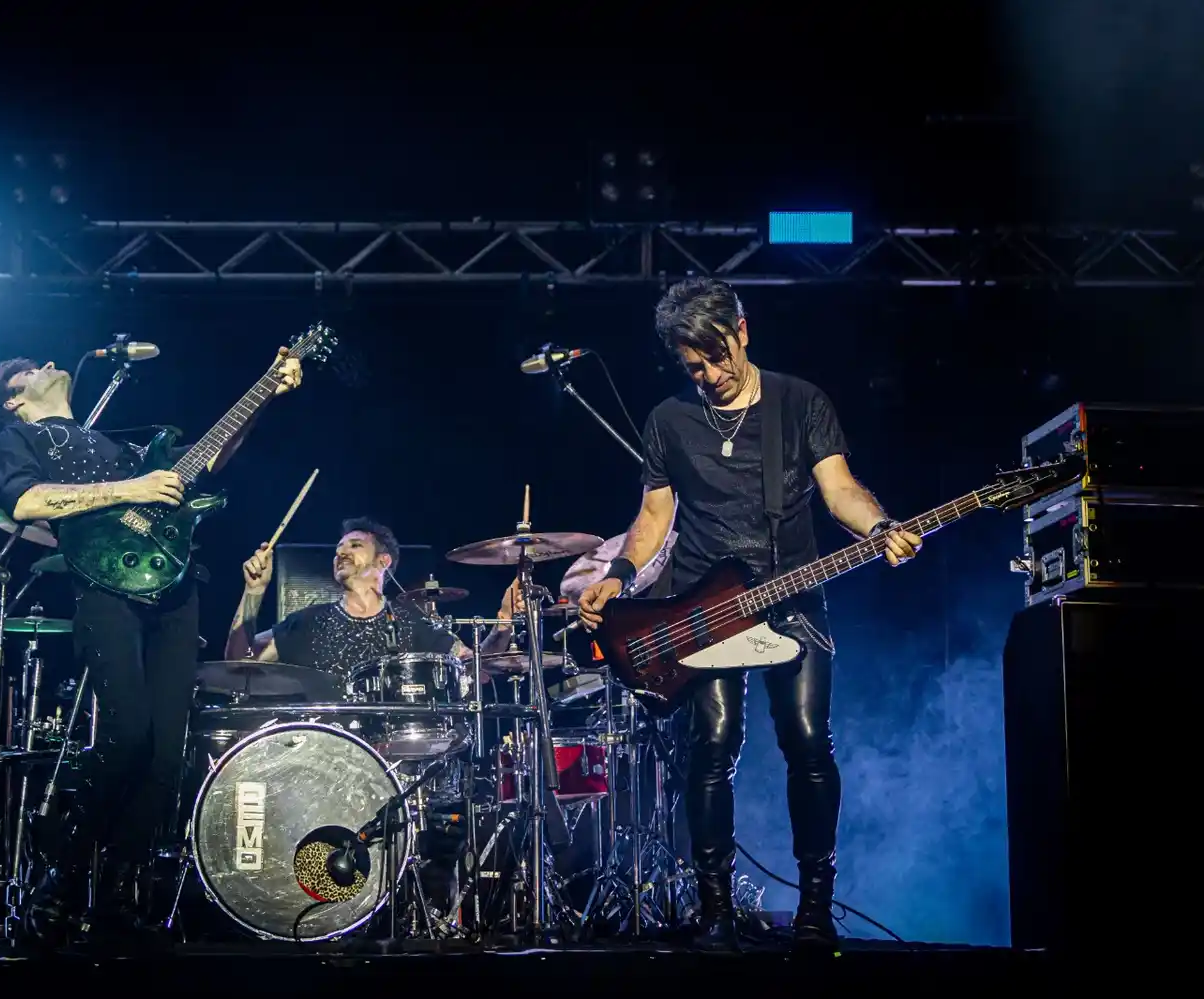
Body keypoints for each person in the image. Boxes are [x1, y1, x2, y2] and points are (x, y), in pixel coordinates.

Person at [576, 278, 922, 951]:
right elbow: (653, 517)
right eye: (692, 366)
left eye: (716, 357)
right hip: (705, 608)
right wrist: (617, 575)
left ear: (742, 330)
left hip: (791, 595)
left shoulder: (800, 403)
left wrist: (880, 525)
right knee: (711, 749)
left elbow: (840, 489)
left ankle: (816, 908)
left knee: (807, 742)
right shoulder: (668, 421)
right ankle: (716, 913)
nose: (708, 375)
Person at [0, 348, 302, 947]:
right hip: (103, 588)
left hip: (174, 589)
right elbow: (25, 502)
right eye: (29, 370)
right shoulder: (22, 440)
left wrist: (266, 395)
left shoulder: (115, 446)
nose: (46, 363)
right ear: (14, 400)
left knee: (168, 756)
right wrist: (132, 486)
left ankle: (120, 894)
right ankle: (62, 875)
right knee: (128, 736)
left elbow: (203, 464)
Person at [223, 518, 522, 674]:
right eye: (338, 548)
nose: (341, 552)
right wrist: (254, 591)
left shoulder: (412, 624)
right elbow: (238, 661)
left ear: (383, 561)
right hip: (319, 761)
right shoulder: (307, 622)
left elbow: (477, 668)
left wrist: (503, 625)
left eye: (354, 545)